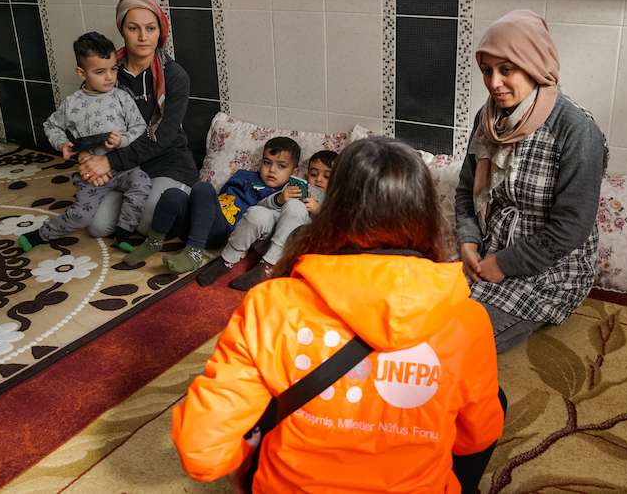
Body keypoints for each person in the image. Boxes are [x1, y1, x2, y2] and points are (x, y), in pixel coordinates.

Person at [171, 137, 504, 494]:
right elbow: (474, 440)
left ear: (335, 209)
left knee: (268, 386)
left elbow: (202, 451)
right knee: (492, 399)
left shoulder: (271, 305)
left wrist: (245, 460)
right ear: (426, 214)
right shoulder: (468, 320)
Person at [456, 9, 608, 353]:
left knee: (457, 346)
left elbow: (571, 227)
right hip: (485, 257)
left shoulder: (576, 130)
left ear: (535, 65)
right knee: (416, 321)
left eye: (506, 69)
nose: (494, 82)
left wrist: (504, 265)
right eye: (486, 70)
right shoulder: (488, 119)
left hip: (547, 272)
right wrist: (467, 242)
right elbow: (467, 191)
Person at [76, 0, 199, 239]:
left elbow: (161, 138)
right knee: (96, 226)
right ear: (123, 30)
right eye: (134, 28)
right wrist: (87, 155)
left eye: (150, 28)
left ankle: (180, 195)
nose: (143, 37)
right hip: (126, 167)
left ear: (160, 33)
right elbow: (87, 122)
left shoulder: (175, 76)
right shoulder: (107, 73)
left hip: (167, 162)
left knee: (147, 224)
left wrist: (108, 163)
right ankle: (134, 198)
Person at [19, 32, 150, 253]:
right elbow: (51, 126)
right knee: (83, 215)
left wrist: (123, 139)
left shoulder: (122, 97)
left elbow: (139, 126)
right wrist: (62, 143)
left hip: (123, 167)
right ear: (82, 73)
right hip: (91, 173)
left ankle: (123, 232)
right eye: (100, 72)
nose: (109, 77)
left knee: (143, 183)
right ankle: (40, 235)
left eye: (113, 69)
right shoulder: (72, 104)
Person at [123, 137, 301, 274]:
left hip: (222, 231)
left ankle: (193, 254)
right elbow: (219, 198)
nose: (272, 170)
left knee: (202, 186)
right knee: (173, 195)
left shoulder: (281, 196)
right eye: (267, 162)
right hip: (200, 222)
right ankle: (153, 242)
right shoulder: (242, 175)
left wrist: (244, 245)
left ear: (294, 172)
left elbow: (268, 226)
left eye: (281, 166)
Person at [196, 149, 337, 291]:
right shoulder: (293, 187)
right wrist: (279, 199)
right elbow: (260, 206)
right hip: (268, 238)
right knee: (256, 213)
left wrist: (318, 210)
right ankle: (226, 260)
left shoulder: (334, 199)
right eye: (314, 174)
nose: (319, 179)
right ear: (306, 176)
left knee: (295, 206)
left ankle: (268, 267)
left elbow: (336, 230)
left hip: (294, 247)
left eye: (327, 176)